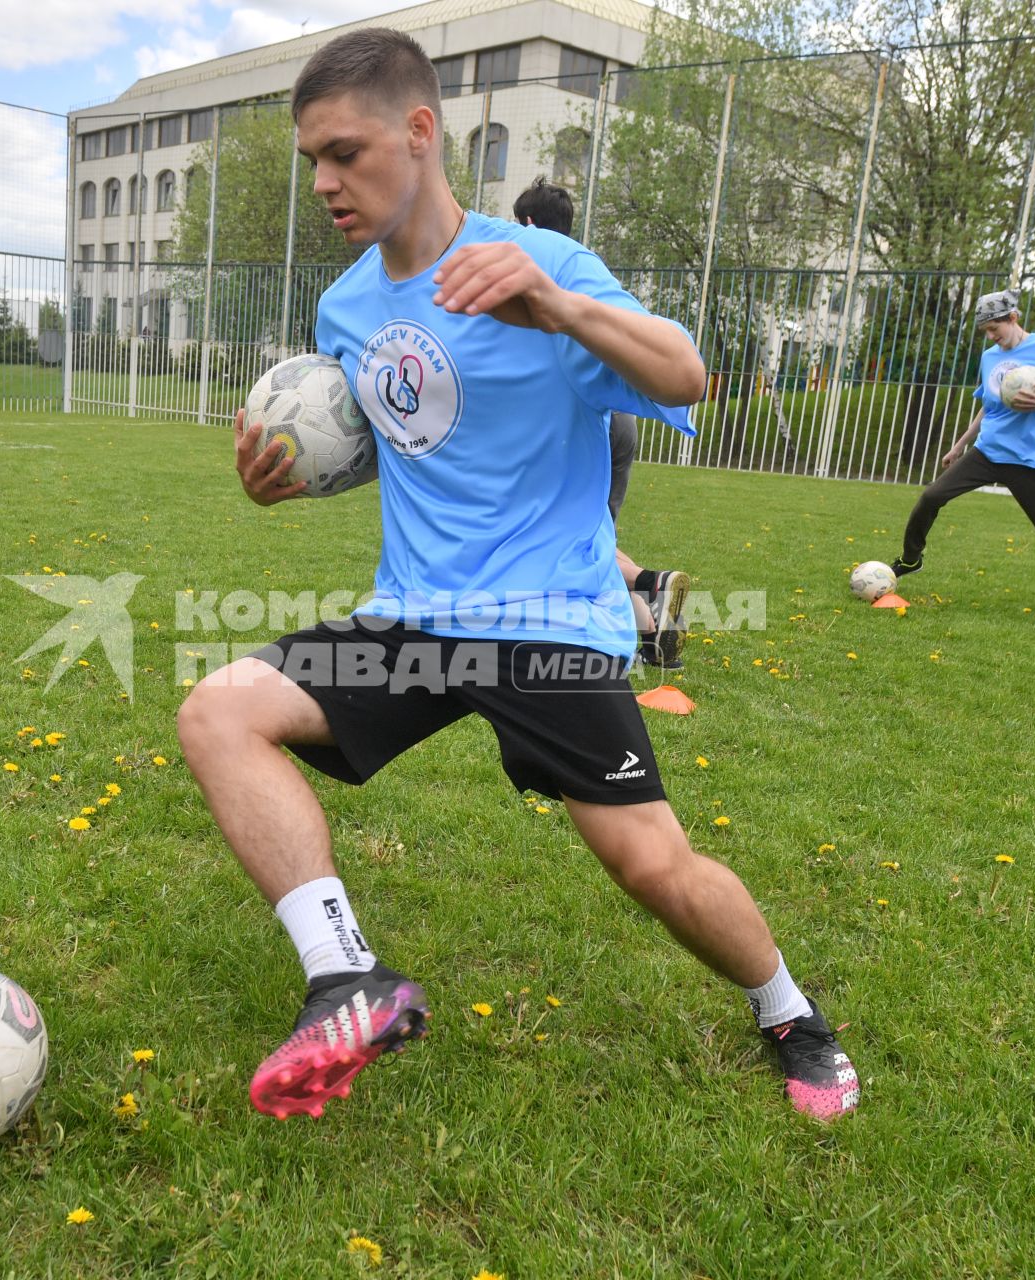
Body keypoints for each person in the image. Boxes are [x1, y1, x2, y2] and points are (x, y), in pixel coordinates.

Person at [177, 28, 859, 1125]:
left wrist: (556, 303)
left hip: (547, 617)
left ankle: (787, 1009)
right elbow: (391, 441)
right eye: (314, 159)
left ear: (419, 130)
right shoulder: (345, 309)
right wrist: (290, 484)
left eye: (345, 152)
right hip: (411, 614)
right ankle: (347, 977)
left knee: (651, 865)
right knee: (219, 713)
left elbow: (687, 372)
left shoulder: (536, 263)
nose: (324, 183)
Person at [511, 177, 689, 670]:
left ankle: (647, 602)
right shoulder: (587, 271)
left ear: (525, 223)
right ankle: (653, 617)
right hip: (619, 419)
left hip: (571, 423)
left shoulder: (531, 272)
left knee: (570, 540)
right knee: (594, 536)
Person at [890, 289, 1035, 618]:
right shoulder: (990, 357)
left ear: (1013, 318)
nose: (991, 336)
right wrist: (959, 446)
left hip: (1032, 461)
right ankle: (911, 559)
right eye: (985, 331)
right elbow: (988, 407)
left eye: (994, 328)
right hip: (988, 452)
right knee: (931, 497)